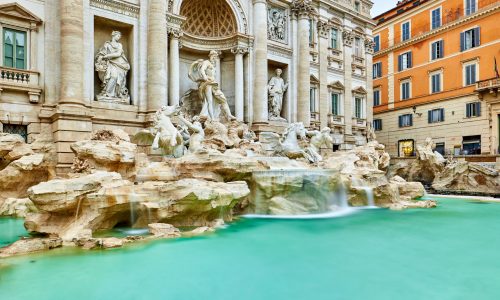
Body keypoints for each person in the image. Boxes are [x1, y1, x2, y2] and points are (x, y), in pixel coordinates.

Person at [188, 51, 236, 121]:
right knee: (209, 101)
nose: (214, 58)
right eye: (213, 56)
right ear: (210, 56)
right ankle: (212, 118)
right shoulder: (206, 62)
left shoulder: (213, 65)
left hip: (213, 84)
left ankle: (229, 115)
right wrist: (204, 76)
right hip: (207, 83)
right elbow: (202, 70)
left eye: (215, 57)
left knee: (223, 99)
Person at [95, 31, 130, 102]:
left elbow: (118, 53)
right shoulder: (107, 44)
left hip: (119, 63)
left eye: (119, 37)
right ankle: (107, 94)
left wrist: (107, 56)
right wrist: (100, 58)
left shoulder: (119, 45)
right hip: (110, 63)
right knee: (113, 76)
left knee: (117, 78)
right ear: (114, 35)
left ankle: (115, 94)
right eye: (118, 36)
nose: (119, 38)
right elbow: (102, 52)